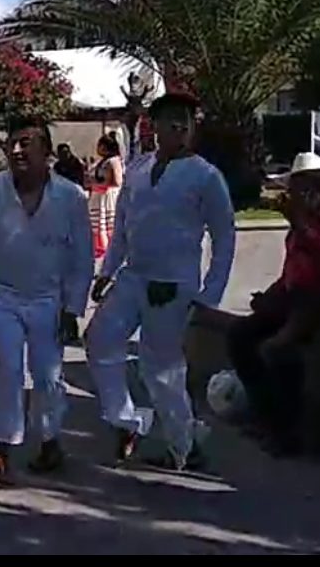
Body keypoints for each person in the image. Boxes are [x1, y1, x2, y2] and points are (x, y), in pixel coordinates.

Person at [86, 93, 236, 471]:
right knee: (100, 339)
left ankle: (183, 447)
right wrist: (106, 271)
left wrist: (209, 297)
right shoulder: (139, 168)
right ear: (154, 126)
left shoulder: (205, 176)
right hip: (133, 276)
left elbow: (224, 238)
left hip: (173, 285)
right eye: (170, 118)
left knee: (161, 368)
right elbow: (122, 227)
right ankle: (126, 421)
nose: (179, 126)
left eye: (186, 119)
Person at [0, 118, 94, 484]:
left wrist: (73, 308)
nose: (16, 150)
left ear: (46, 151)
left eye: (26, 143)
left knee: (47, 374)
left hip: (50, 299)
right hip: (0, 295)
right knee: (9, 370)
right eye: (12, 143)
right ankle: (2, 449)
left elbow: (82, 257)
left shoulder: (71, 197)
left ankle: (50, 441)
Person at [199, 152, 320, 456]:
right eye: (297, 186)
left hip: (312, 305)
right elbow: (291, 274)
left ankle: (287, 433)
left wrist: (300, 223)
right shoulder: (298, 226)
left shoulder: (309, 224)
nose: (300, 193)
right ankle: (263, 416)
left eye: (309, 185)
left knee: (279, 352)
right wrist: (268, 298)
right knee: (241, 336)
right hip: (294, 300)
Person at [89, 134, 125, 259]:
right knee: (97, 225)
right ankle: (99, 249)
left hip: (108, 197)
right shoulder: (100, 162)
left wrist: (101, 184)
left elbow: (118, 181)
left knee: (108, 225)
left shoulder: (114, 161)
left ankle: (110, 251)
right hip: (98, 197)